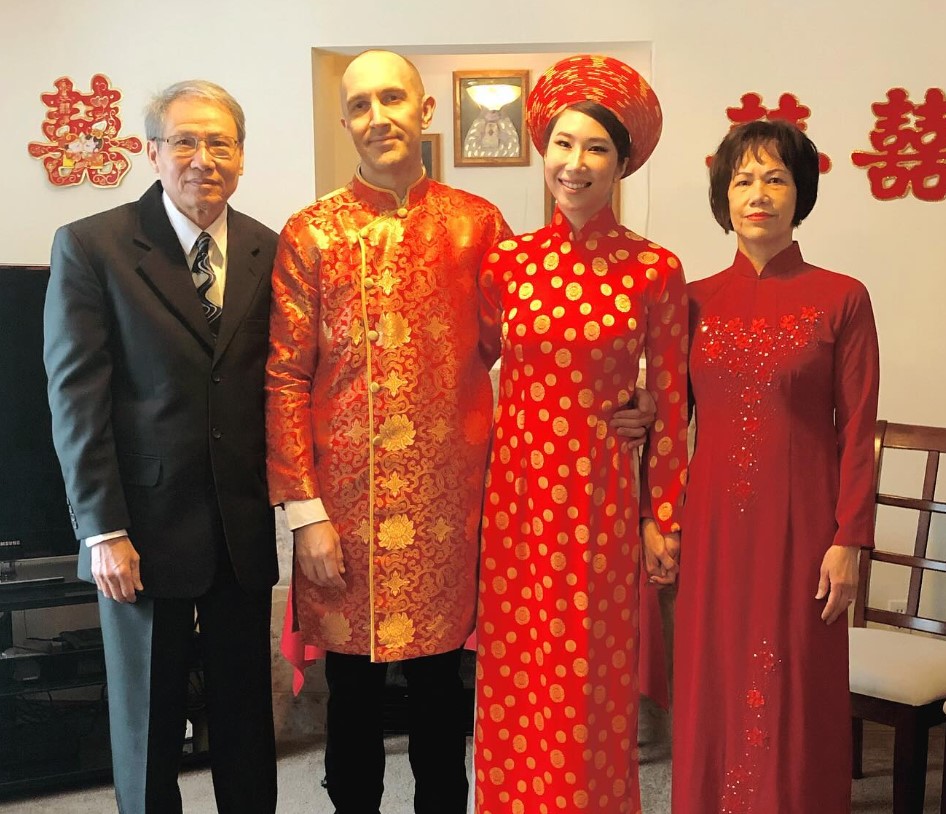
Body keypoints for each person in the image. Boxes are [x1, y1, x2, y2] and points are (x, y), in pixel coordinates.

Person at [44, 80, 278, 814]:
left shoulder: (270, 248)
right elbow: (75, 398)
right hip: (139, 529)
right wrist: (102, 530)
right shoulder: (93, 245)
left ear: (241, 156)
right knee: (147, 725)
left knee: (246, 724)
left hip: (239, 529)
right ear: (151, 151)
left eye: (220, 142)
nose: (203, 158)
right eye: (185, 140)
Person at [473, 54, 688, 814]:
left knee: (588, 677)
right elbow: (472, 373)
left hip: (598, 496)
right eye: (563, 144)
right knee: (515, 673)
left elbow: (668, 407)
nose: (575, 164)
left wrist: (663, 518)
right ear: (543, 150)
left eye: (596, 148)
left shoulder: (654, 270)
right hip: (516, 498)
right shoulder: (507, 264)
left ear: (622, 162)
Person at [672, 120, 880, 813]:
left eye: (775, 178)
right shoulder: (692, 300)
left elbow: (857, 428)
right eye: (742, 179)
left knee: (796, 685)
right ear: (722, 197)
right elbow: (672, 422)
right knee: (715, 676)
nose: (757, 194)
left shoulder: (842, 296)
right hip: (713, 527)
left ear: (801, 193)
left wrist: (849, 539)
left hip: (803, 527)